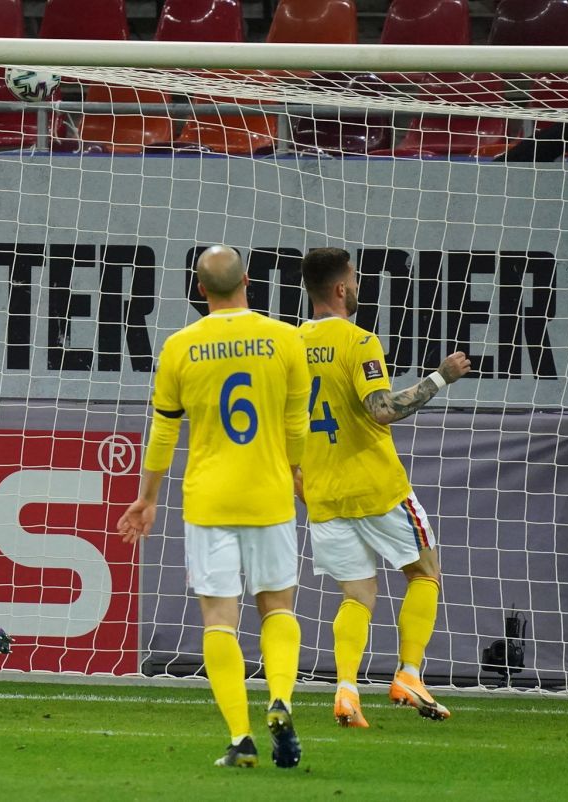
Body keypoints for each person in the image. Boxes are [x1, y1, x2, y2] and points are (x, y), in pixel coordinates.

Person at [117, 246, 311, 769]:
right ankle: (281, 700)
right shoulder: (286, 339)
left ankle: (241, 738)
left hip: (208, 500)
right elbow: (298, 425)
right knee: (279, 607)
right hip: (269, 495)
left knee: (219, 621)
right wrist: (296, 472)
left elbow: (163, 432)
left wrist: (148, 497)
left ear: (199, 290)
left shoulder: (180, 347)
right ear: (249, 281)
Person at [298, 248, 470, 727]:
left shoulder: (289, 344)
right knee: (425, 572)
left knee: (356, 597)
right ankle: (409, 673)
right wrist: (441, 377)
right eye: (354, 278)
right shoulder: (359, 341)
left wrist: (300, 478)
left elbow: (283, 423)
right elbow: (382, 409)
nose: (357, 286)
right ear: (339, 288)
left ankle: (347, 691)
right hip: (377, 488)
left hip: (324, 493)